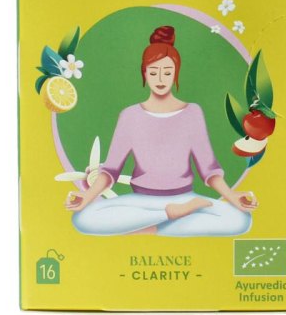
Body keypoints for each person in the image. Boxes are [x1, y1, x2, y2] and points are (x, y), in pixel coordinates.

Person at [65, 25, 258, 236]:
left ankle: (146, 226)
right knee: (82, 218)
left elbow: (209, 170)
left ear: (176, 73)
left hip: (184, 199)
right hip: (140, 202)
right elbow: (110, 171)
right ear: (144, 73)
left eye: (167, 72)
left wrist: (232, 197)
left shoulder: (192, 113)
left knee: (241, 220)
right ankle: (166, 216)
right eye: (153, 72)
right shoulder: (130, 115)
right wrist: (87, 197)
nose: (160, 79)